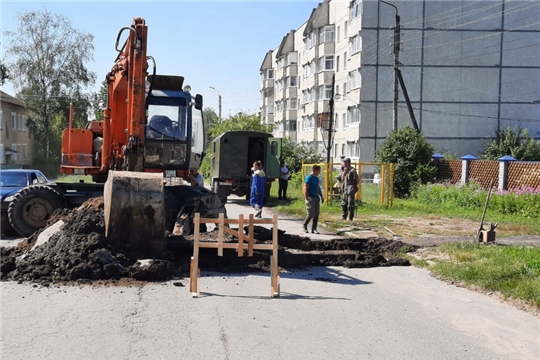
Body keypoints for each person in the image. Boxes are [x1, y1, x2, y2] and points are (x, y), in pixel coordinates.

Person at [302, 164, 324, 234]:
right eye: (319, 171)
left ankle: (314, 229)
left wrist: (321, 196)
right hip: (310, 197)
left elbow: (318, 188)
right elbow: (305, 188)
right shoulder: (309, 178)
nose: (319, 172)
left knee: (317, 214)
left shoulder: (316, 178)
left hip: (316, 197)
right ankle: (305, 225)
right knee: (311, 214)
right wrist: (306, 199)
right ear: (315, 170)